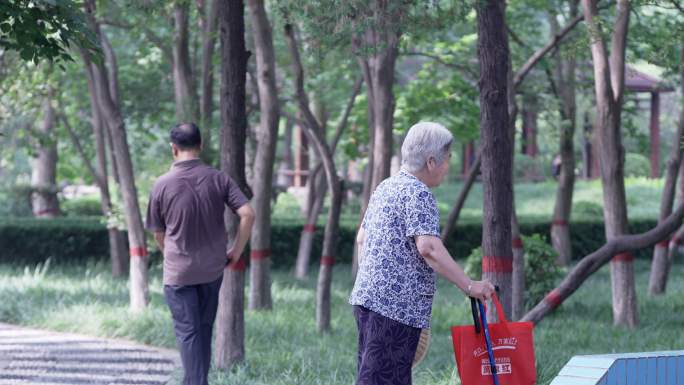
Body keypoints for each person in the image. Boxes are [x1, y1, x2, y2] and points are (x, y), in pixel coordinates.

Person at [349, 122, 496, 385]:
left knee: (375, 377)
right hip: (395, 309)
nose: (448, 165)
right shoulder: (419, 193)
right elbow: (428, 248)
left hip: (367, 300)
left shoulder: (386, 187)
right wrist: (470, 285)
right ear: (431, 161)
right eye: (448, 159)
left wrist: (374, 283)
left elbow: (362, 238)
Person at [146, 122, 255, 385]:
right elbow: (248, 214)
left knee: (188, 334)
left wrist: (169, 253)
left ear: (173, 148)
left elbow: (157, 233)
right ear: (201, 145)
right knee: (203, 331)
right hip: (212, 270)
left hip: (179, 273)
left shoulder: (161, 185)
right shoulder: (219, 178)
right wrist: (236, 252)